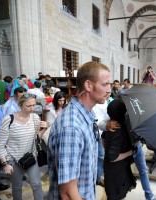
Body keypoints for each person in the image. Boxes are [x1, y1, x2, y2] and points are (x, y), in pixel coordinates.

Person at [47, 61, 111, 200]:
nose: (109, 90)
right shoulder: (72, 127)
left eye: (109, 84)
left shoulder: (86, 115)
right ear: (88, 85)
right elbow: (68, 193)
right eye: (105, 84)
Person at [0, 93, 47, 200]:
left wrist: (44, 130)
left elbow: (36, 138)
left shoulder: (35, 118)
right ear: (21, 105)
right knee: (17, 186)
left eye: (34, 105)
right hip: (13, 160)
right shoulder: (9, 120)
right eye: (28, 106)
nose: (32, 108)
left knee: (37, 184)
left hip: (31, 157)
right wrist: (5, 164)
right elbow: (0, 145)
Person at [102, 99, 136, 200]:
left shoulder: (109, 124)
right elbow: (113, 157)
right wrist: (130, 152)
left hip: (110, 168)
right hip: (116, 170)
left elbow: (103, 139)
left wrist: (108, 149)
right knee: (116, 194)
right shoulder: (119, 130)